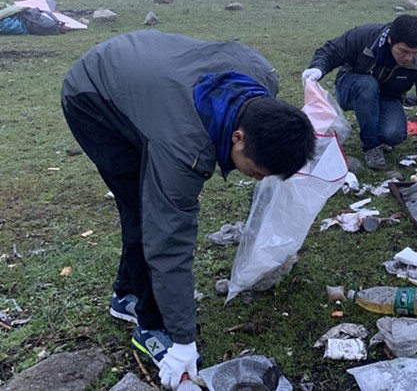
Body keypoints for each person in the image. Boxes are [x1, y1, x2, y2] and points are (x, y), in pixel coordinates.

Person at [61, 30, 316, 390]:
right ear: (238, 137)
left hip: (146, 74)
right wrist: (183, 340)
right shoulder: (185, 149)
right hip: (93, 94)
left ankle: (125, 293)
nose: (258, 179)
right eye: (257, 171)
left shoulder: (262, 80)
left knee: (147, 203)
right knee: (144, 210)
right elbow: (169, 241)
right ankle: (151, 326)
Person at [301, 14, 417, 173]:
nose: (408, 58)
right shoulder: (366, 36)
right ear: (390, 40)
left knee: (394, 134)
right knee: (367, 85)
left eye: (415, 52)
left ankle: (378, 131)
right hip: (352, 86)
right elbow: (332, 50)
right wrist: (318, 68)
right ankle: (371, 146)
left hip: (387, 95)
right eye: (404, 51)